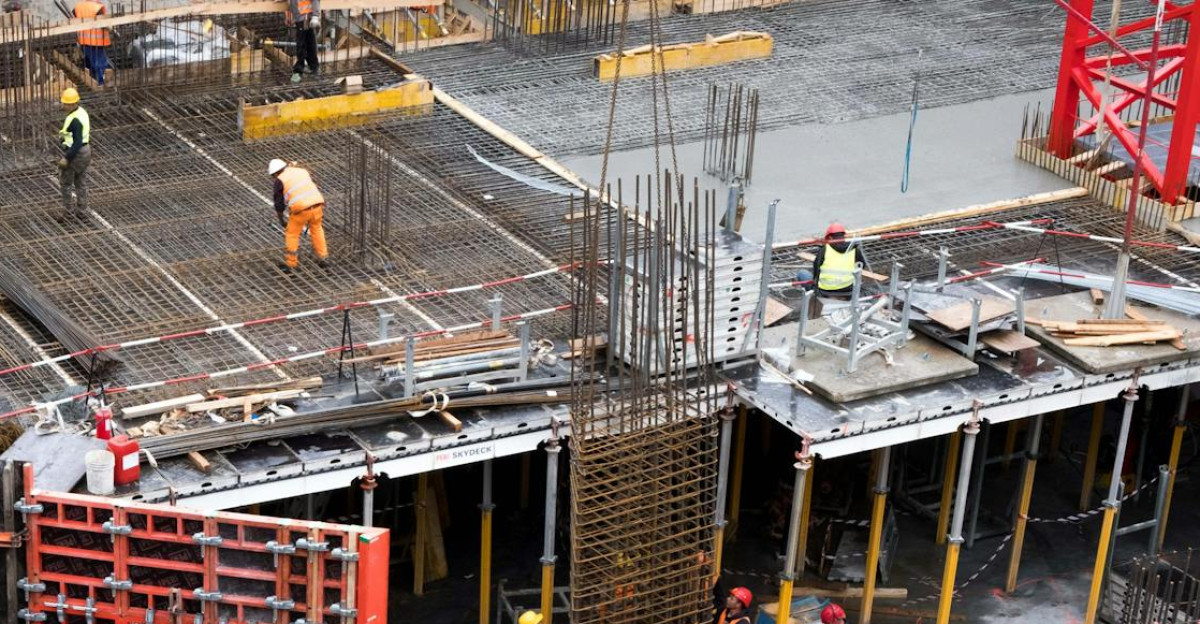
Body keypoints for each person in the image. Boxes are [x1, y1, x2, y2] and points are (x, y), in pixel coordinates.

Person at [269, 158, 329, 272]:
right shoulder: (301, 171)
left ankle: (291, 263)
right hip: (317, 204)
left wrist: (281, 220)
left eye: (273, 176)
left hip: (301, 210)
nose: (274, 178)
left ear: (276, 173)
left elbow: (279, 204)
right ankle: (323, 257)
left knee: (292, 234)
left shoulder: (280, 180)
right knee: (317, 229)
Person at [57, 88, 91, 223]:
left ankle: (68, 213)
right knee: (80, 182)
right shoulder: (82, 112)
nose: (63, 105)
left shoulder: (75, 119)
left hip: (76, 153)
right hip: (86, 151)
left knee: (65, 183)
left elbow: (76, 142)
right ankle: (82, 211)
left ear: (72, 104)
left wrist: (67, 158)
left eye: (65, 103)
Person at [810, 222, 870, 296]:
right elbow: (862, 265)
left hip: (825, 291)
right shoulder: (854, 249)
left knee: (803, 274)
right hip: (849, 290)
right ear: (843, 237)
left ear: (830, 238)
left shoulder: (824, 250)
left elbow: (816, 270)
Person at [73, 0, 111, 86]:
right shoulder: (97, 7)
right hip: (97, 41)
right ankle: (101, 84)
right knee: (100, 64)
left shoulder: (79, 6)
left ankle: (93, 81)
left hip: (84, 40)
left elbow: (75, 17)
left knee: (90, 63)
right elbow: (105, 23)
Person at [286, 0, 320, 83]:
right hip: (301, 19)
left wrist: (315, 16)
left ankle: (298, 70)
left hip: (305, 18)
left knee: (301, 45)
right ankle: (313, 66)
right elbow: (292, 4)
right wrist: (290, 17)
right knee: (309, 43)